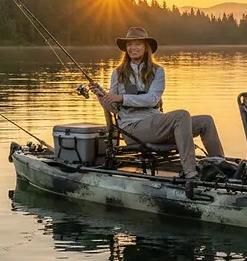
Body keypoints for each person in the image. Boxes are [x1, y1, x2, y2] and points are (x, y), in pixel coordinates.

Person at [94, 26, 225, 179]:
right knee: (181, 115)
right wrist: (102, 96)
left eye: (137, 44)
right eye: (129, 45)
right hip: (132, 128)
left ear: (145, 48)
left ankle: (220, 166)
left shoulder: (158, 71)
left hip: (155, 123)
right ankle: (191, 172)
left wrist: (122, 98)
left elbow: (152, 99)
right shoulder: (118, 73)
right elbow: (114, 108)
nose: (132, 48)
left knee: (205, 121)